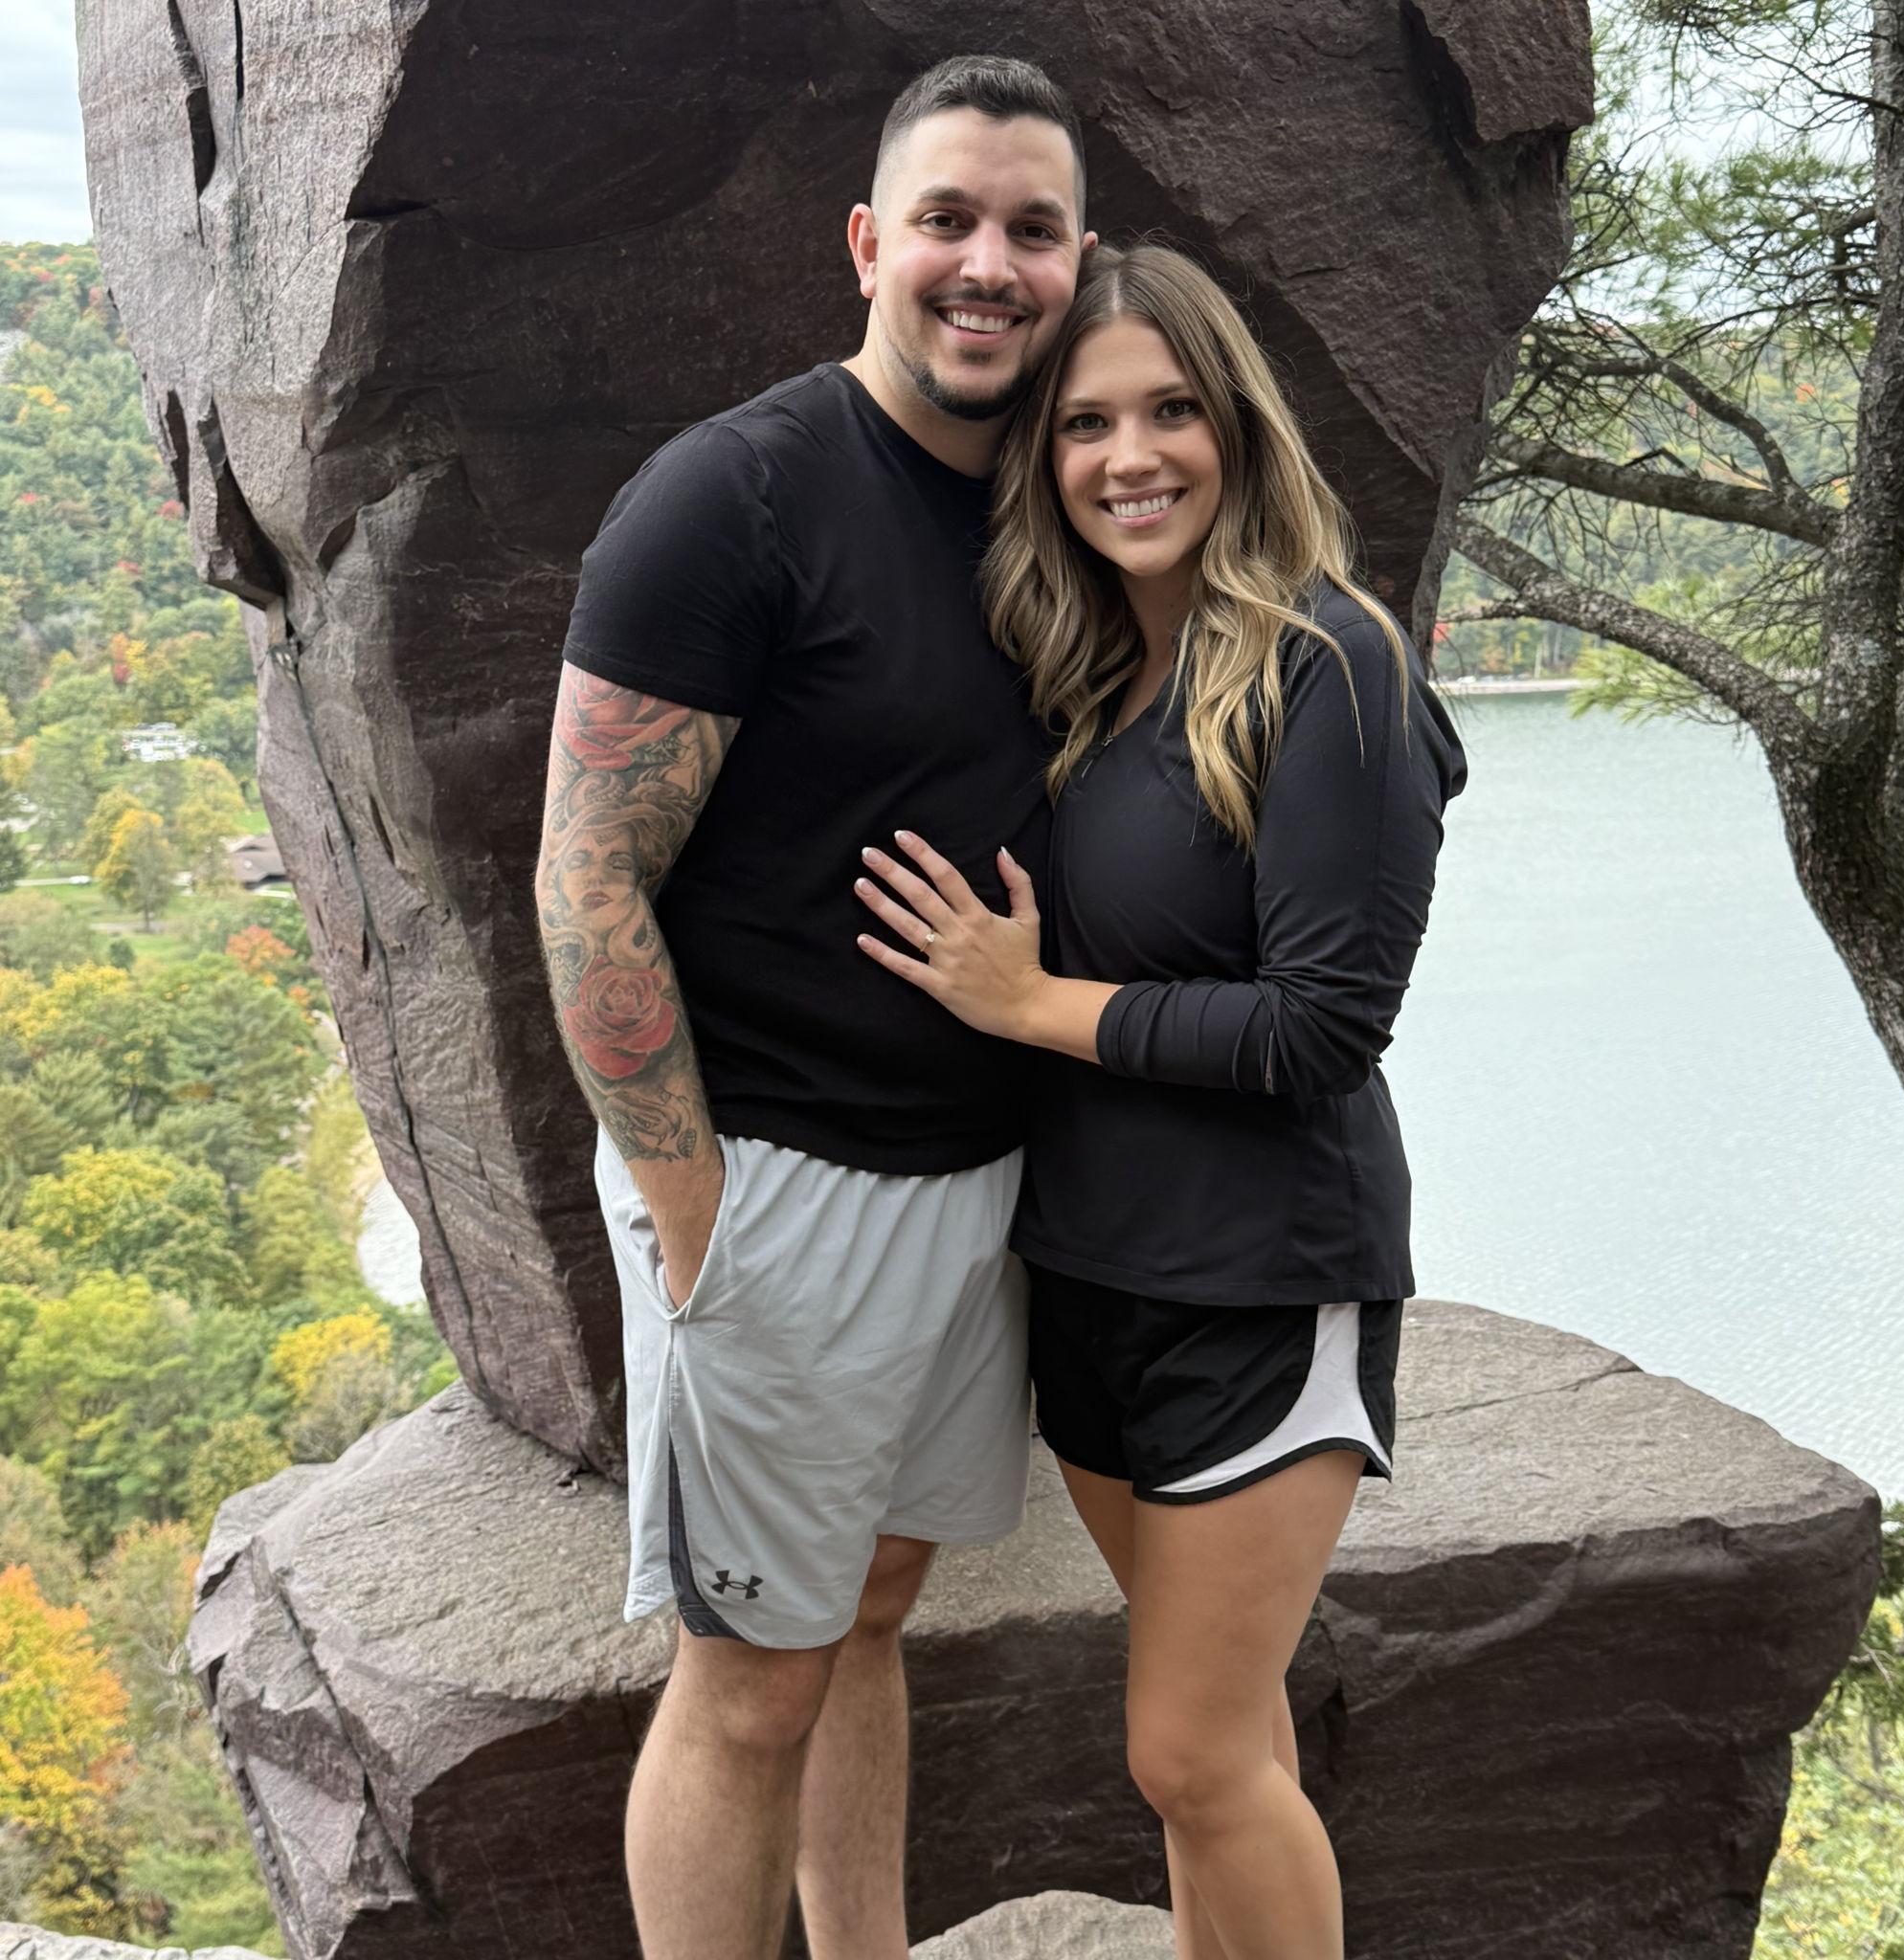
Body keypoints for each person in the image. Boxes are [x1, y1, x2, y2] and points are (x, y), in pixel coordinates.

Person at [531, 56, 1095, 1960]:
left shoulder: (1055, 505)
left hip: (975, 1184)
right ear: (868, 241)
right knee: (746, 1680)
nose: (984, 262)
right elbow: (585, 879)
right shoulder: (734, 497)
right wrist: (702, 1229)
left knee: (865, 1618)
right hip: (778, 1185)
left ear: (1076, 262)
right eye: (946, 217)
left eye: (1029, 227)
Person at [852, 243, 1467, 1960]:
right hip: (1096, 1283)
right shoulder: (1093, 673)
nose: (1132, 456)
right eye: (1088, 423)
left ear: (1240, 427)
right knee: (1231, 1751)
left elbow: (1321, 1028)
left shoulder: (1328, 665)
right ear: (1040, 458)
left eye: (1173, 411)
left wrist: (1030, 1001)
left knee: (1187, 1753)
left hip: (1265, 1285)